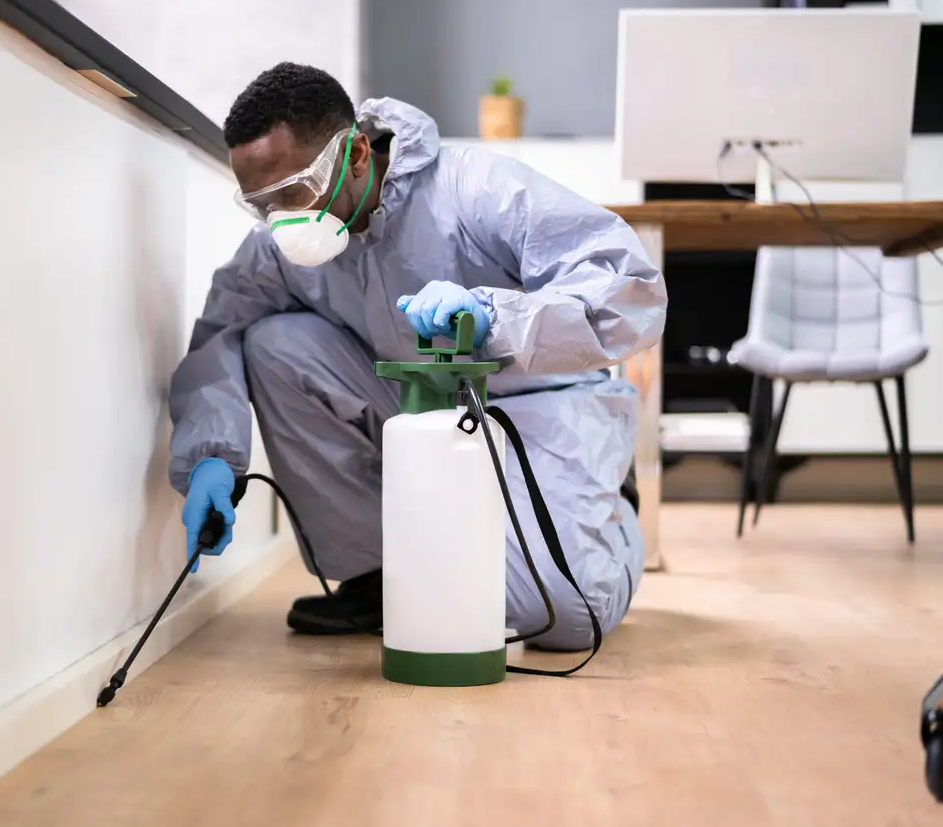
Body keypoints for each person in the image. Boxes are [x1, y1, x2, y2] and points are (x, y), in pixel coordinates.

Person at [169, 62, 667, 651]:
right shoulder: (277, 248)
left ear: (354, 154)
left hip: (533, 407)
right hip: (415, 406)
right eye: (261, 203)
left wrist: (493, 316)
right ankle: (376, 576)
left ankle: (614, 510)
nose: (280, 219)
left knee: (560, 619)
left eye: (293, 191)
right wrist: (210, 457)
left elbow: (629, 290)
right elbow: (221, 331)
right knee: (275, 345)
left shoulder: (475, 189)